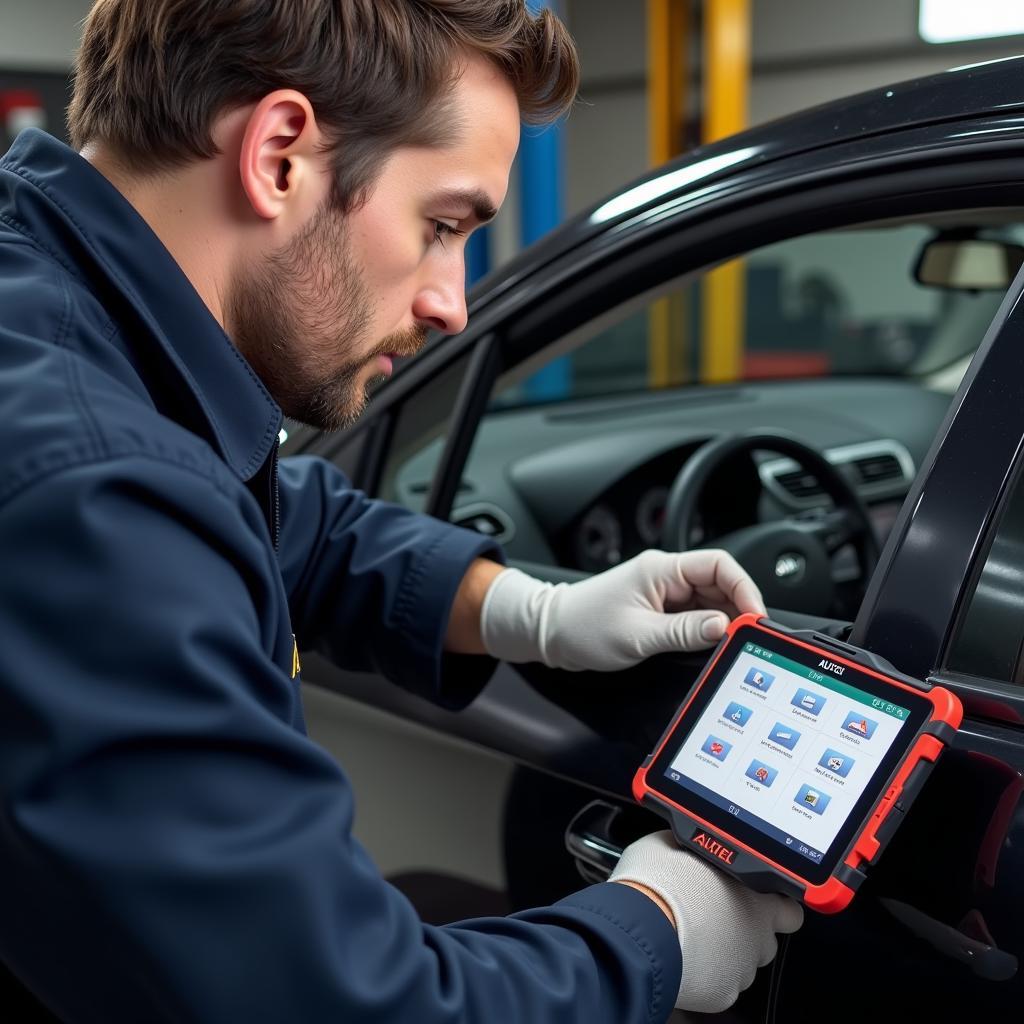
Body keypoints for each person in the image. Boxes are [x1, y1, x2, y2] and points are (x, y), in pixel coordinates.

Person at [0, 2, 801, 1021]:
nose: (450, 303)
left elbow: (270, 510)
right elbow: (335, 1003)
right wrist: (653, 929)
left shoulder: (56, 305)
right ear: (281, 154)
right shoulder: (90, 492)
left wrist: (530, 610)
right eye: (443, 226)